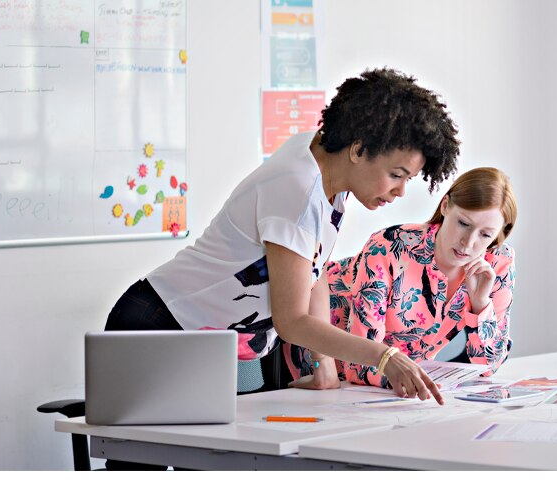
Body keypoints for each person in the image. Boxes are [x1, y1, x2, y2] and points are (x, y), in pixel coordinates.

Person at [104, 68, 460, 407]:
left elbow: (312, 275)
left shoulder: (326, 169)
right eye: (396, 174)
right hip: (161, 324)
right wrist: (385, 357)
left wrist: (323, 362)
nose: (399, 191)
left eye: (408, 180)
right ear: (358, 149)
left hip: (213, 340)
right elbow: (291, 321)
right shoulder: (297, 188)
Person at [282, 167, 517, 390]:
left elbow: (488, 367)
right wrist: (415, 379)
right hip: (318, 360)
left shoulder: (498, 264)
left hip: (390, 385)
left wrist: (481, 304)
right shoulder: (388, 247)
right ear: (445, 206)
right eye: (463, 223)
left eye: (486, 234)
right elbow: (359, 366)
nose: (469, 242)